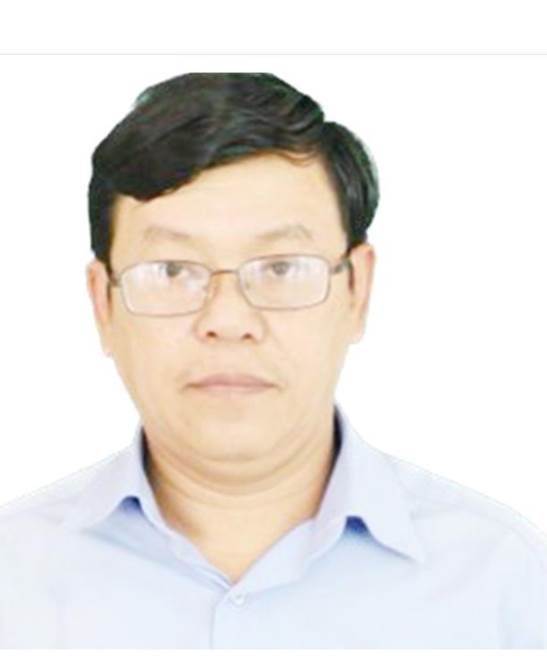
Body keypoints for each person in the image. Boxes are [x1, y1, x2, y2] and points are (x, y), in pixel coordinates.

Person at [0, 72, 545, 649]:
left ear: (357, 291)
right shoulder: (15, 576)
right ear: (103, 304)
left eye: (282, 267)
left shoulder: (504, 584)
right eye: (172, 271)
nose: (228, 320)